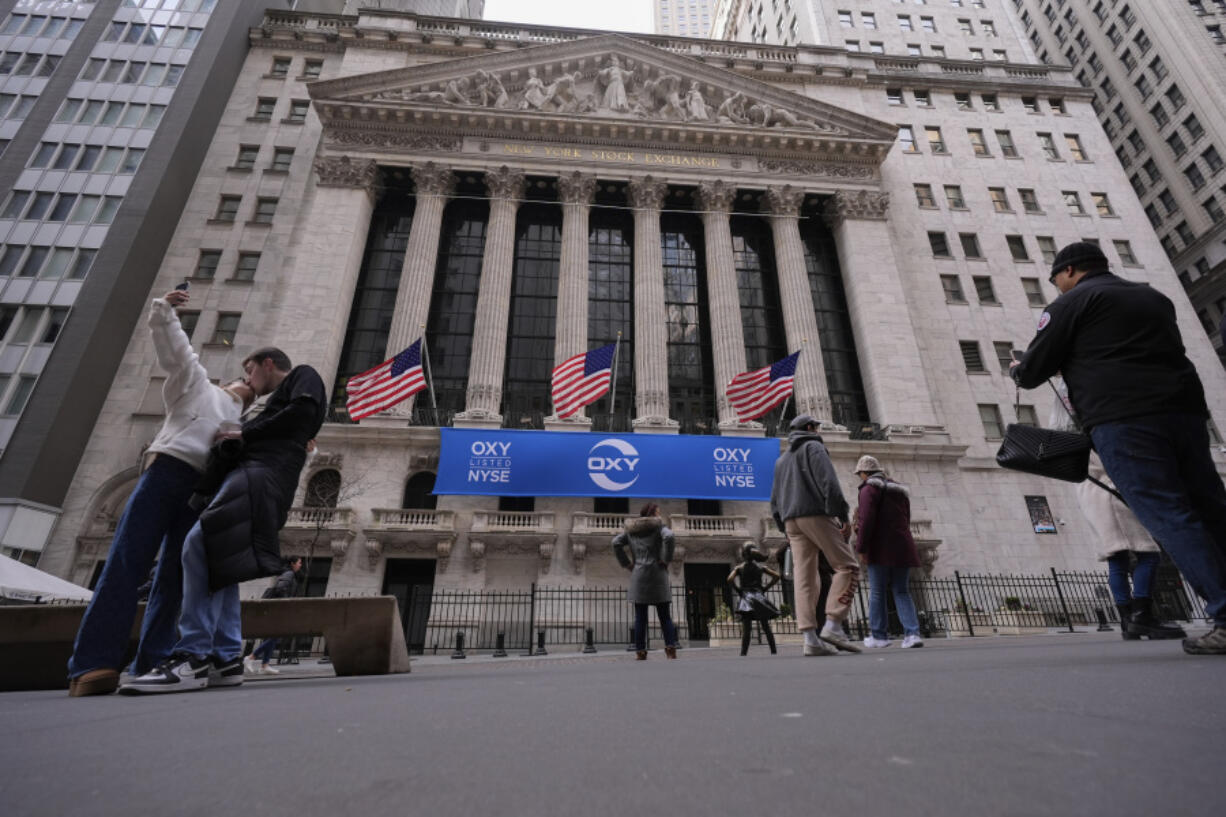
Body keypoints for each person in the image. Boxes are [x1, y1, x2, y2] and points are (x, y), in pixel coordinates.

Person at [1011, 241, 1226, 655]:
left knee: (1168, 515)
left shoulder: (1071, 304)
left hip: (1123, 420)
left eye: (1055, 278)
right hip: (1185, 413)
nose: (1056, 286)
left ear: (1070, 271)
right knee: (1210, 507)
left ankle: (1224, 612)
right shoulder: (1153, 296)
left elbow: (1034, 371)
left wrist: (1019, 370)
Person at [66, 290, 254, 697]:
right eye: (242, 382)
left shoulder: (248, 423)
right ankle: (93, 663)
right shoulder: (199, 388)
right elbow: (178, 354)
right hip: (166, 473)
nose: (245, 388)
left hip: (203, 492)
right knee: (125, 563)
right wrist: (163, 310)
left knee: (175, 580)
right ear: (229, 382)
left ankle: (153, 662)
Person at [121, 348, 327, 693]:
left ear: (268, 364)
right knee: (219, 556)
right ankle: (226, 657)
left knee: (197, 544)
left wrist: (241, 431)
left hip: (263, 474)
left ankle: (194, 655)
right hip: (254, 473)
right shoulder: (273, 405)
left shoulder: (303, 375)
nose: (249, 381)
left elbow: (302, 413)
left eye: (250, 372)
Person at [1048, 378, 1185, 640]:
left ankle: (1127, 620)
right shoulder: (1097, 428)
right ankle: (1142, 614)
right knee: (1149, 553)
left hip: (1089, 494)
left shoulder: (1065, 434)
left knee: (1117, 558)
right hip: (1113, 493)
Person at [770, 414, 861, 656]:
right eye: (817, 427)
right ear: (810, 428)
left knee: (804, 577)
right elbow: (828, 483)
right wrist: (841, 514)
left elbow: (775, 499)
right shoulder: (814, 447)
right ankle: (833, 624)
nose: (819, 431)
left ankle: (810, 638)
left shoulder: (782, 460)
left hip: (791, 521)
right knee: (848, 567)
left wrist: (784, 526)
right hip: (815, 514)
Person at [853, 456, 923, 649]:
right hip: (902, 544)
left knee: (877, 591)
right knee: (902, 590)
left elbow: (866, 520)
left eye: (860, 475)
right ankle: (913, 633)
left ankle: (879, 635)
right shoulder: (900, 492)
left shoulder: (868, 489)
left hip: (880, 546)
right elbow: (906, 518)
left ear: (865, 473)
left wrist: (861, 547)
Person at [613, 503, 679, 660]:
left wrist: (627, 564)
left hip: (639, 574)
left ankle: (640, 652)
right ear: (653, 514)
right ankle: (670, 649)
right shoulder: (658, 527)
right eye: (658, 512)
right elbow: (669, 536)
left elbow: (615, 543)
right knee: (664, 616)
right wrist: (666, 559)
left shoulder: (631, 530)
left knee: (640, 617)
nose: (659, 515)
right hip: (658, 573)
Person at [244, 556, 304, 675]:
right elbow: (280, 588)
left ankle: (264, 665)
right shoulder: (289, 574)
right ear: (292, 564)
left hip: (276, 610)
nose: (300, 565)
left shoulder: (287, 574)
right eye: (299, 563)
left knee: (273, 636)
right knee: (275, 636)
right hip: (278, 610)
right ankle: (251, 657)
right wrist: (286, 603)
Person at [728, 542, 781, 656]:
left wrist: (739, 591)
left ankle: (743, 653)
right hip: (758, 596)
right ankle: (773, 650)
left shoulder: (739, 568)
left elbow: (729, 579)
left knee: (747, 629)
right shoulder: (761, 567)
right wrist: (765, 588)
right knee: (766, 626)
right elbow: (777, 576)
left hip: (746, 597)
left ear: (744, 554)